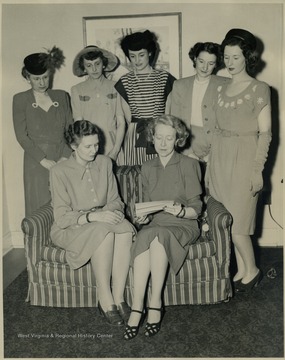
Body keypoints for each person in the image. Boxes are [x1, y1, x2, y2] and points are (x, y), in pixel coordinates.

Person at [123, 115, 203, 340]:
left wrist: (180, 211)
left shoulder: (189, 164)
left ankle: (155, 302)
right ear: (152, 138)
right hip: (157, 224)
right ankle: (138, 306)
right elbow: (148, 207)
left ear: (178, 139)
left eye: (169, 138)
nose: (164, 143)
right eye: (159, 137)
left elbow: (196, 208)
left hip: (183, 223)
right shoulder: (147, 167)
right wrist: (142, 218)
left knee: (156, 236)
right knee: (147, 235)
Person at [50, 120, 135, 325]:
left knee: (124, 230)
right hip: (71, 227)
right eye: (88, 146)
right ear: (73, 146)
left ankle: (119, 296)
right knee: (103, 232)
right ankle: (104, 298)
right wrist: (93, 217)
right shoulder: (58, 171)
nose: (94, 150)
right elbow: (61, 217)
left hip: (101, 219)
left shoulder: (105, 162)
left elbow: (116, 200)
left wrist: (108, 213)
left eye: (96, 144)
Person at [207, 29, 272, 292]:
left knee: (239, 223)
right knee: (226, 219)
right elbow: (214, 129)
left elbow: (266, 134)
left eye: (236, 57)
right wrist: (210, 164)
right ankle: (244, 268)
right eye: (227, 56)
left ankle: (253, 269)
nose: (230, 62)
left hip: (245, 156)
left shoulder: (260, 89)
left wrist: (258, 171)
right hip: (220, 155)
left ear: (247, 57)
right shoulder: (221, 87)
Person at [13, 46, 73, 216]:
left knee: (63, 204)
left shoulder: (62, 96)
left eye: (45, 77)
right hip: (36, 162)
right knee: (38, 207)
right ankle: (39, 243)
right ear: (27, 78)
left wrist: (64, 156)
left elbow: (70, 131)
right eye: (36, 78)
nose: (42, 83)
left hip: (62, 157)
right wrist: (43, 160)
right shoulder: (20, 99)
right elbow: (21, 136)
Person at [115, 30, 176, 165]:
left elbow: (169, 115)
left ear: (149, 52)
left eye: (141, 55)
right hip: (135, 136)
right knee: (137, 179)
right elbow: (126, 119)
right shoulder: (124, 81)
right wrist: (115, 150)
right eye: (132, 56)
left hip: (161, 134)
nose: (137, 60)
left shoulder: (164, 78)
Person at [167, 42, 230, 162]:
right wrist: (188, 152)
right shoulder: (179, 85)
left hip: (216, 144)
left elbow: (227, 123)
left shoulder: (225, 84)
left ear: (216, 64)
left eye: (210, 63)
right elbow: (175, 122)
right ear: (195, 59)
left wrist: (212, 154)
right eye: (201, 61)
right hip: (187, 142)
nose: (205, 67)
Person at [71, 46, 125, 163]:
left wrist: (115, 150)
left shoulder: (115, 86)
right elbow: (78, 124)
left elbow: (121, 122)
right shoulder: (77, 90)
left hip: (112, 144)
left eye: (97, 64)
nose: (94, 69)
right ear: (84, 68)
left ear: (104, 64)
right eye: (89, 65)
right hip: (88, 145)